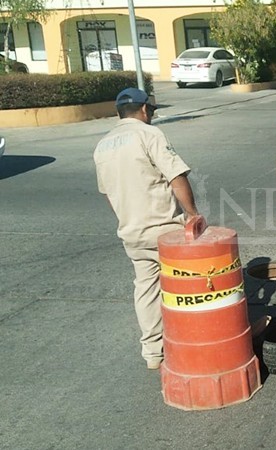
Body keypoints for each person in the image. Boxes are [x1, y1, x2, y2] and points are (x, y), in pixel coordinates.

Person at [94, 88, 198, 370]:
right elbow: (176, 176)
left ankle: (153, 352)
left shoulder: (102, 145)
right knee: (195, 282)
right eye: (150, 111)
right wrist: (192, 214)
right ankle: (199, 340)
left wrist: (127, 219)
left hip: (131, 232)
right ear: (143, 111)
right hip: (164, 229)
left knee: (146, 288)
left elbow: (108, 193)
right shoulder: (149, 135)